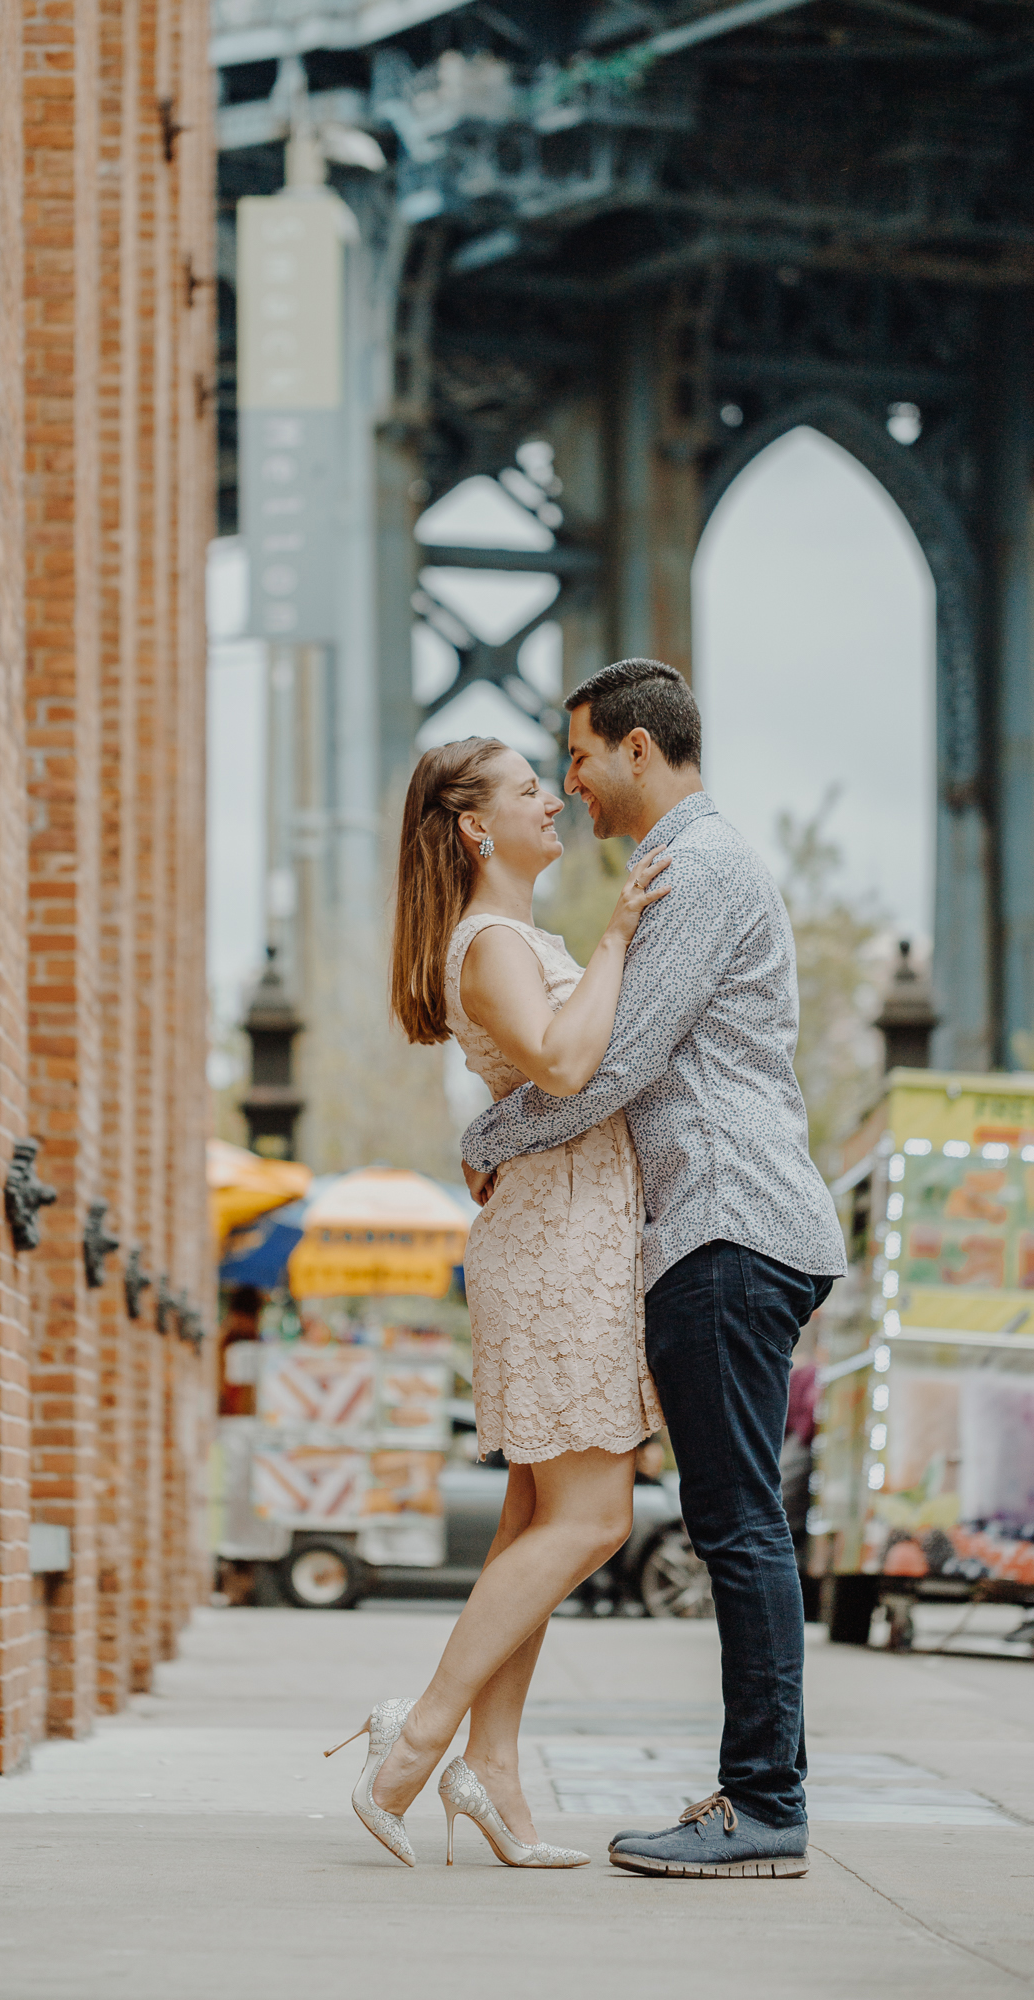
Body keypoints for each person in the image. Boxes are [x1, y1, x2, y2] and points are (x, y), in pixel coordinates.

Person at [461, 657, 846, 1879]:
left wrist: (486, 1137)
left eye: (576, 755)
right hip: (711, 1231)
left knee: (737, 1525)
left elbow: (610, 1065)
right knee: (736, 1520)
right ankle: (756, 1792)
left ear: (636, 748)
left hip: (726, 1227)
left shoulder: (701, 865)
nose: (568, 781)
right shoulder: (676, 867)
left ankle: (763, 1803)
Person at [326, 732, 672, 1869]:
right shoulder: (490, 943)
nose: (552, 801)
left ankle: (497, 1768)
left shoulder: (506, 937)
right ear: (476, 826)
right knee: (594, 1516)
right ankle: (416, 1741)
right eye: (531, 789)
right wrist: (623, 932)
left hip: (569, 1232)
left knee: (535, 1518)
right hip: (555, 1244)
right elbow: (568, 1066)